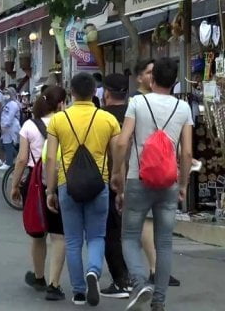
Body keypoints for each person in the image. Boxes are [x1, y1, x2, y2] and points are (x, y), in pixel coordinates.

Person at [111, 58, 193, 311]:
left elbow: (123, 142)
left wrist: (117, 172)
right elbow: (187, 152)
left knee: (130, 237)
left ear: (152, 78)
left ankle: (139, 281)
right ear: (175, 82)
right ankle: (159, 301)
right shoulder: (183, 108)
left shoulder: (137, 102)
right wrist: (183, 184)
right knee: (165, 242)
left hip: (139, 178)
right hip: (168, 182)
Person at [45, 72, 120, 307]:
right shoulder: (107, 119)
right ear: (95, 92)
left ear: (71, 92)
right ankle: (94, 271)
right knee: (97, 235)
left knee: (73, 239)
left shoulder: (59, 120)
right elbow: (118, 154)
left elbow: (50, 160)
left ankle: (78, 291)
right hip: (100, 184)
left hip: (67, 184)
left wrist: (50, 190)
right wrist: (118, 180)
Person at [10, 85, 68, 301]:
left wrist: (15, 185)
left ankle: (39, 276)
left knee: (38, 233)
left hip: (35, 181)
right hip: (61, 179)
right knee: (58, 234)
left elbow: (22, 159)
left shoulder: (29, 126)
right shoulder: (65, 122)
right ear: (61, 103)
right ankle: (55, 282)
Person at [98, 73, 132, 299]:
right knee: (133, 231)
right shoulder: (133, 116)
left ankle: (121, 279)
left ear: (106, 93)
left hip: (109, 178)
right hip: (138, 177)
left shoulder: (101, 117)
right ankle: (138, 275)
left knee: (111, 230)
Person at [0, 87, 22, 171]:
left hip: (11, 127)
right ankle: (11, 160)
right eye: (4, 93)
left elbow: (10, 116)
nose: (5, 95)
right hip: (6, 127)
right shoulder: (6, 104)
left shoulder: (13, 104)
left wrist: (5, 125)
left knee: (8, 144)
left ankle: (9, 163)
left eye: (7, 93)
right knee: (6, 144)